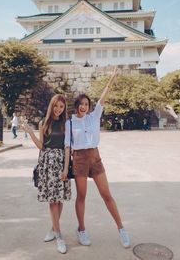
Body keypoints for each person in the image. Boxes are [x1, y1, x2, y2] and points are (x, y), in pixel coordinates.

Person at [65, 67, 130, 248]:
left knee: (106, 194)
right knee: (82, 196)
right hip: (79, 159)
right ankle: (82, 229)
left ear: (89, 106)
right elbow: (67, 146)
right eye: (80, 104)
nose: (83, 106)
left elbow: (103, 97)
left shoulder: (94, 117)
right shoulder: (70, 122)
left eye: (86, 104)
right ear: (76, 105)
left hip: (95, 157)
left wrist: (112, 79)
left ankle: (121, 229)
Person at [23, 94, 71, 254]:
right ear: (52, 106)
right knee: (52, 201)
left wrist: (65, 169)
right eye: (56, 106)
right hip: (47, 164)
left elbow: (67, 148)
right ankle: (59, 236)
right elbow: (41, 146)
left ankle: (53, 228)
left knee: (60, 198)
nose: (58, 109)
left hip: (60, 162)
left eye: (61, 107)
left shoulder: (66, 124)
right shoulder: (43, 123)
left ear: (64, 109)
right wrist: (30, 132)